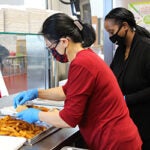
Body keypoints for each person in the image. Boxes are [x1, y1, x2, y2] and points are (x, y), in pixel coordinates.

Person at [14, 13, 142, 150]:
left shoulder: (82, 64)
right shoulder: (86, 56)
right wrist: (36, 93)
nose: (52, 52)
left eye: (51, 47)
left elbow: (68, 119)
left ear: (64, 42)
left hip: (114, 141)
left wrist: (35, 114)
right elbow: (66, 91)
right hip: (115, 137)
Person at [104, 7, 150, 150]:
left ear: (125, 26)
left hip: (145, 121)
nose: (111, 37)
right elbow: (110, 76)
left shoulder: (146, 48)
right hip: (125, 120)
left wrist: (126, 99)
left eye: (112, 32)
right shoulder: (121, 49)